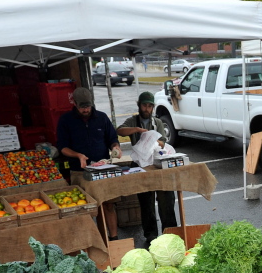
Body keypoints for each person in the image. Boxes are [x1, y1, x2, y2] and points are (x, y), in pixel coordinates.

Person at [57, 87, 122, 239]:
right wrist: (78, 155)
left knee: (108, 203)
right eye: (82, 107)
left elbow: (112, 138)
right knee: (85, 207)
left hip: (102, 169)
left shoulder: (102, 117)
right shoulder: (66, 120)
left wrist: (116, 148)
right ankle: (91, 241)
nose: (85, 110)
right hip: (79, 171)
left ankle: (113, 238)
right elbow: (62, 147)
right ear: (75, 104)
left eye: (88, 106)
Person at [117, 92, 178, 246]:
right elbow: (120, 130)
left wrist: (154, 141)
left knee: (166, 199)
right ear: (139, 105)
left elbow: (164, 142)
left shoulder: (156, 121)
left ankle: (170, 232)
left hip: (157, 165)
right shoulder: (133, 120)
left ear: (153, 107)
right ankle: (150, 235)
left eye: (150, 105)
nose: (147, 108)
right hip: (140, 167)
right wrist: (137, 130)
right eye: (144, 105)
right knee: (146, 202)